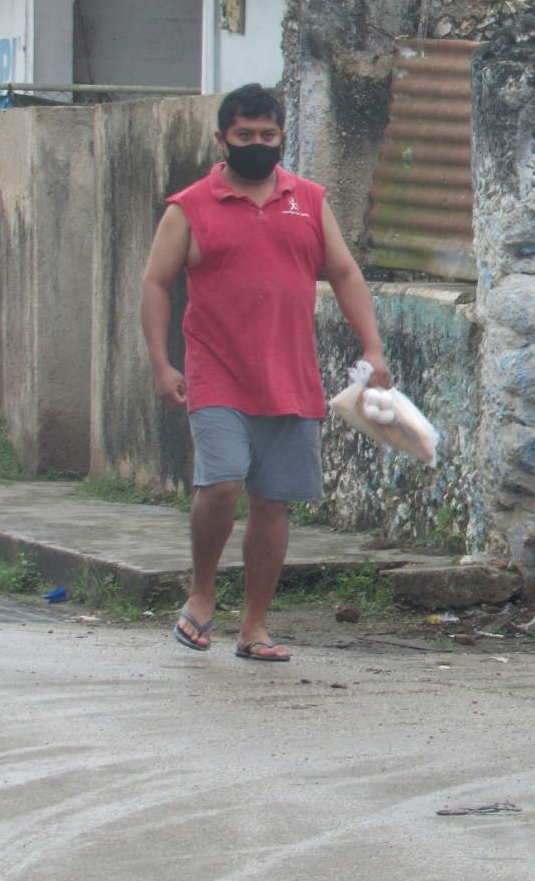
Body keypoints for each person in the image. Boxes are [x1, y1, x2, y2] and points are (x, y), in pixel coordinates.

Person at [141, 84, 391, 662]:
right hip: (216, 374)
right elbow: (156, 284)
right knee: (222, 482)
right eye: (245, 136)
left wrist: (373, 349)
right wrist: (161, 363)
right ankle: (202, 595)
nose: (257, 145)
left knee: (273, 503)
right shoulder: (189, 207)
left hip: (290, 376)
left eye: (268, 136)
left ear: (282, 136)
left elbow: (347, 274)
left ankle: (254, 627)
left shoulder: (309, 199)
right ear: (221, 139)